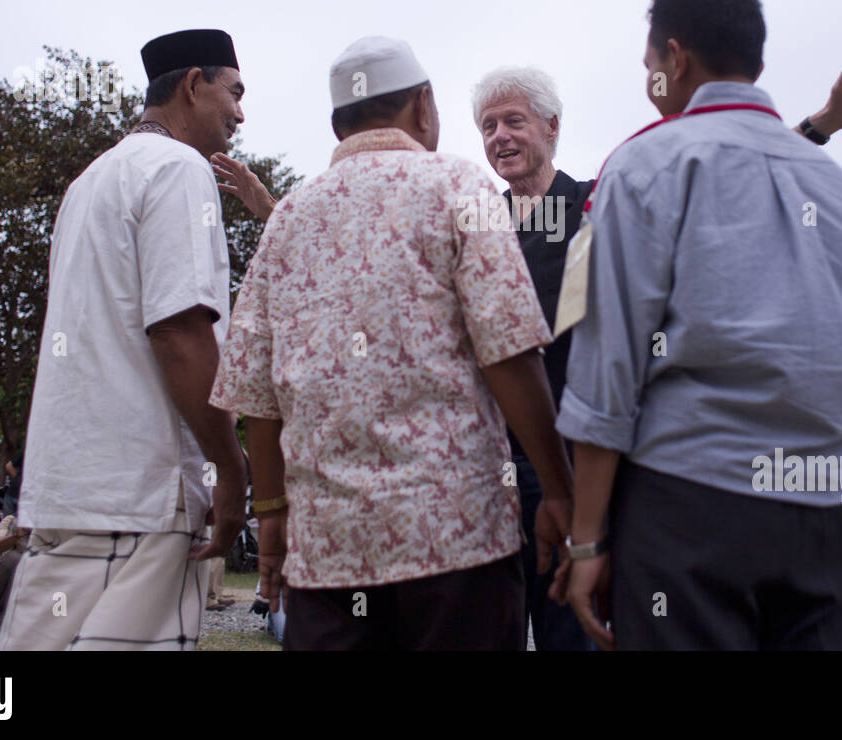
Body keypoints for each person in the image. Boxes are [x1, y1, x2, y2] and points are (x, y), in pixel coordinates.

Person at [470, 44, 842, 649]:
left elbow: (728, 182)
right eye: (488, 127)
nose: (499, 137)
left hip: (579, 462)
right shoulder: (476, 231)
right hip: (489, 468)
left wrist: (823, 124)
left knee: (571, 634)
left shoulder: (599, 202)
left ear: (551, 126)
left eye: (513, 120)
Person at [209, 35, 575, 650]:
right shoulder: (459, 187)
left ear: (335, 124)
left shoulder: (288, 220)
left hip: (328, 559)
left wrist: (271, 515)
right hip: (456, 552)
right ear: (425, 108)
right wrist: (562, 489)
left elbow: (258, 395)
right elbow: (510, 353)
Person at [0, 29, 248, 651]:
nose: (240, 113)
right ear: (194, 84)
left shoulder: (89, 181)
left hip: (69, 490)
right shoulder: (178, 168)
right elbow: (182, 334)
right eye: (235, 92)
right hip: (142, 495)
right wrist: (232, 466)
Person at [0, 512, 29, 632]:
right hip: (22, 559)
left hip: (47, 561)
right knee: (9, 559)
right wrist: (17, 536)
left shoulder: (57, 520)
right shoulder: (12, 520)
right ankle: (2, 613)